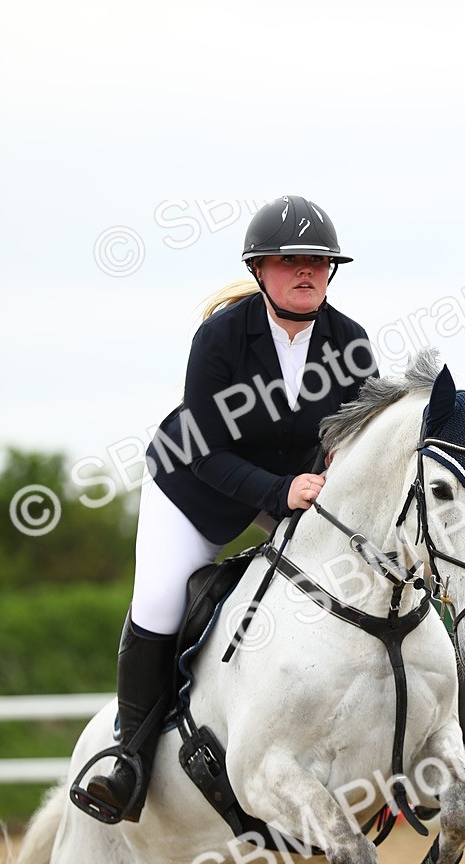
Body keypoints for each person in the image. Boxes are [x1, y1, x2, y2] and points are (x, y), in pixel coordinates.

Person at [76, 195, 377, 825]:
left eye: (319, 262)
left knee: (354, 580)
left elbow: (358, 443)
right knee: (160, 599)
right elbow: (204, 450)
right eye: (290, 260)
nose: (306, 271)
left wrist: (324, 483)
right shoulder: (220, 337)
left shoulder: (350, 343)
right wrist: (277, 493)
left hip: (293, 488)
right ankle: (127, 760)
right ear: (261, 270)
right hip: (195, 487)